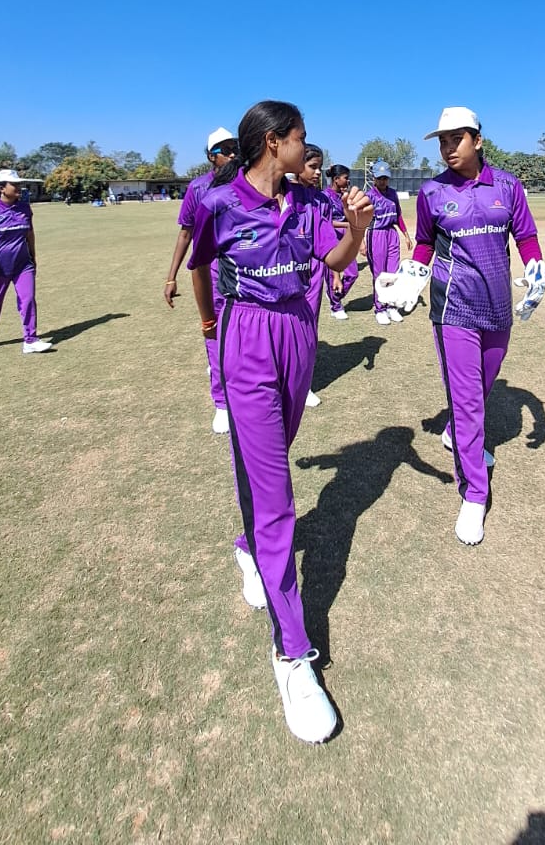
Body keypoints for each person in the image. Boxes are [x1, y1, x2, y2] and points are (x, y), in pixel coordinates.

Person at [187, 100, 373, 744]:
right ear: (273, 142)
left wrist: (352, 228)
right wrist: (211, 323)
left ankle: (247, 550)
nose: (306, 146)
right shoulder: (218, 201)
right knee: (276, 498)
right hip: (248, 338)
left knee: (273, 466)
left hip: (299, 332)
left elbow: (339, 262)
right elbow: (202, 266)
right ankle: (293, 657)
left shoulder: (311, 201)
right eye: (299, 138)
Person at [377, 107, 545, 545]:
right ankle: (474, 494)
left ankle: (455, 432)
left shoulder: (507, 186)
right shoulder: (433, 191)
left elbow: (525, 236)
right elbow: (425, 245)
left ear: (478, 140)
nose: (448, 148)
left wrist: (536, 268)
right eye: (442, 141)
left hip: (497, 307)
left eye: (457, 139)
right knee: (469, 401)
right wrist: (409, 281)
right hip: (452, 306)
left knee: (481, 389)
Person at [164, 127, 239, 433]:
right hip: (212, 272)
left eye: (235, 147)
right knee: (215, 335)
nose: (233, 154)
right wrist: (171, 277)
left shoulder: (247, 182)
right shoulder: (198, 188)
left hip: (244, 270)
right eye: (225, 149)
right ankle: (221, 402)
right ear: (211, 156)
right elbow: (185, 234)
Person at [0, 170, 52, 354]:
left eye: (19, 184)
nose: (19, 188)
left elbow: (29, 233)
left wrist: (33, 256)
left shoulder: (25, 208)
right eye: (14, 185)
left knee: (28, 300)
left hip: (23, 265)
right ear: (2, 188)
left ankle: (30, 340)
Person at [295, 144, 330, 408]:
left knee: (309, 329)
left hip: (315, 270)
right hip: (289, 270)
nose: (318, 173)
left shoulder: (322, 201)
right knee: (289, 327)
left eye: (320, 167)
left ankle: (304, 384)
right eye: (312, 167)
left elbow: (327, 242)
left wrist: (335, 273)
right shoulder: (284, 196)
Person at [363, 160, 412, 326]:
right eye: (380, 178)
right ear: (374, 178)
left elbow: (398, 215)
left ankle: (391, 306)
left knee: (393, 273)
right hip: (376, 234)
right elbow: (360, 221)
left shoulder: (392, 194)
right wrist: (361, 243)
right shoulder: (369, 196)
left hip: (392, 233)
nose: (383, 181)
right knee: (379, 273)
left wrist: (406, 235)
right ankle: (380, 308)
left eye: (386, 178)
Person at [323, 164, 358, 320]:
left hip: (346, 237)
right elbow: (326, 222)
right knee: (332, 274)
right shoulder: (325, 196)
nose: (348, 181)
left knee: (353, 274)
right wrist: (347, 225)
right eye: (345, 178)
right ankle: (335, 306)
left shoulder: (344, 196)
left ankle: (334, 296)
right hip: (331, 237)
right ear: (336, 179)